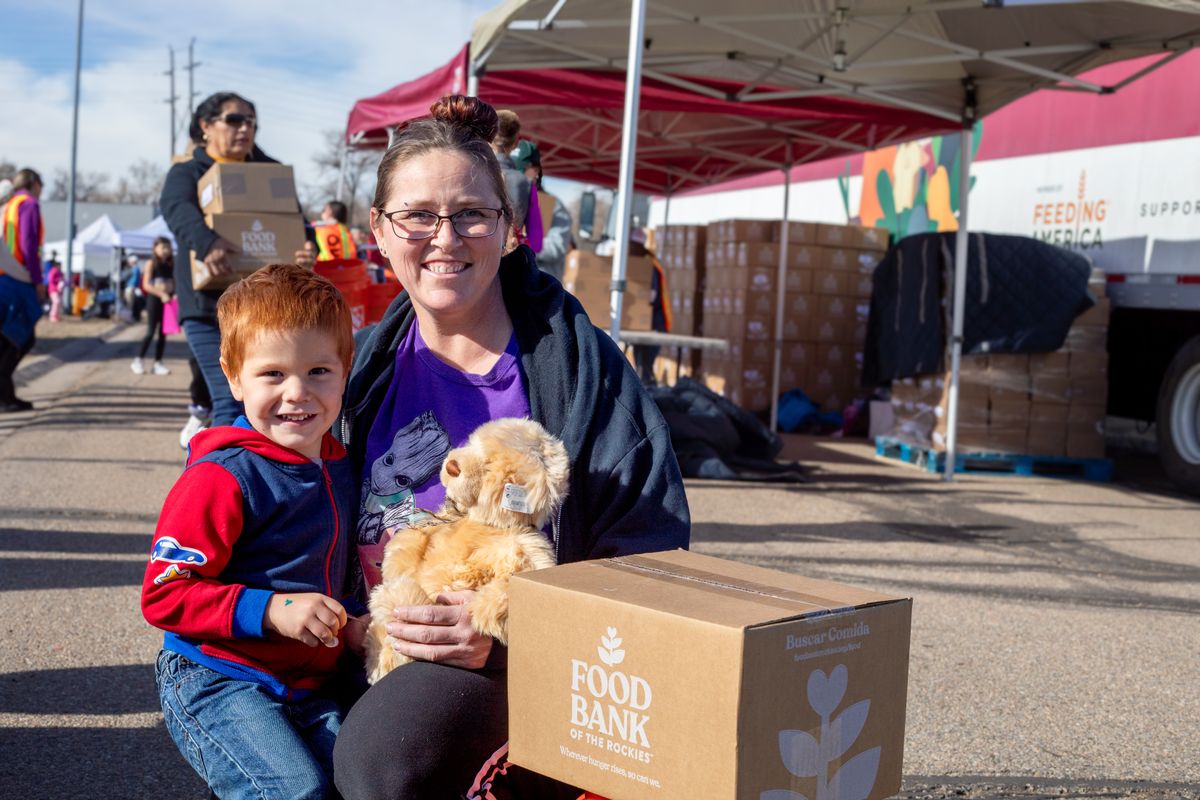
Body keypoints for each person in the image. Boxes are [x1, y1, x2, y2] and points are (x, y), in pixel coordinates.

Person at [331, 95, 690, 800]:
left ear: (509, 229)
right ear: (379, 230)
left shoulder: (583, 374)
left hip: (519, 666)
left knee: (381, 757)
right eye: (417, 215)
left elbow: (650, 554)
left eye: (471, 213)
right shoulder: (354, 368)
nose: (445, 238)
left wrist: (503, 638)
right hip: (365, 645)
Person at [141, 264, 364, 800]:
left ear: (346, 369)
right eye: (272, 374)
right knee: (294, 790)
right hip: (216, 674)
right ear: (233, 376)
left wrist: (354, 620)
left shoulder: (341, 465)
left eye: (318, 371)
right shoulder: (221, 477)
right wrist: (270, 610)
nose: (297, 393)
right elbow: (164, 594)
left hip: (309, 684)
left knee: (366, 779)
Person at [159, 91, 316, 429]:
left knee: (264, 400)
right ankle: (220, 461)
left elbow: (297, 222)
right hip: (206, 308)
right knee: (230, 399)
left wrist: (308, 246)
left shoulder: (270, 172)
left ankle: (235, 450)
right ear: (205, 126)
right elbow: (176, 209)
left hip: (263, 309)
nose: (245, 128)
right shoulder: (188, 172)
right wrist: (208, 243)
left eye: (251, 122)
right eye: (234, 120)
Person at [0, 168, 47, 413]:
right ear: (34, 183)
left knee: (7, 339)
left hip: (5, 277)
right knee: (20, 338)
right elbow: (29, 245)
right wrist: (38, 280)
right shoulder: (28, 204)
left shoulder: (9, 205)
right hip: (18, 279)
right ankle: (4, 395)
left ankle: (6, 394)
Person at [510, 139, 574, 281]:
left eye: (521, 172)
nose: (515, 178)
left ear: (535, 171)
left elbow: (557, 247)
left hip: (539, 285)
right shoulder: (505, 198)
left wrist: (524, 243)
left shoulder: (554, 206)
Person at [131, 236, 175, 376]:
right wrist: (161, 294)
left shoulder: (170, 264)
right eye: (163, 247)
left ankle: (158, 363)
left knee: (163, 333)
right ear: (155, 249)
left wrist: (173, 294)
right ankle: (138, 360)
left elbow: (173, 282)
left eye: (168, 247)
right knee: (151, 331)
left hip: (167, 302)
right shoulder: (151, 263)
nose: (166, 250)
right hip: (154, 300)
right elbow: (146, 285)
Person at [490, 109, 532, 241]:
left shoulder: (472, 172)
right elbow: (534, 235)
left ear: (489, 138)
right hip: (511, 248)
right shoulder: (526, 183)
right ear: (515, 144)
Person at [46, 259, 65, 323]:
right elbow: (51, 280)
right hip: (53, 290)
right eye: (59, 266)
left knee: (59, 303)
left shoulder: (60, 273)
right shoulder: (53, 271)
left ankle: (57, 316)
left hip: (59, 290)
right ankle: (52, 316)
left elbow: (62, 280)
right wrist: (58, 281)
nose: (60, 267)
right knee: (56, 302)